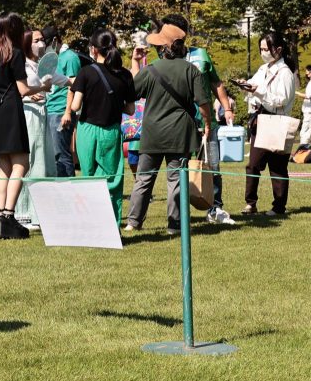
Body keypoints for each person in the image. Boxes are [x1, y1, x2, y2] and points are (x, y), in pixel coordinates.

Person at [124, 23, 211, 234]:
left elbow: (130, 93)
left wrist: (135, 63)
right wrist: (207, 124)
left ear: (163, 48)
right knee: (176, 181)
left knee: (144, 179)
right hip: (180, 134)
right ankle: (175, 225)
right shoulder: (191, 70)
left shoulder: (151, 69)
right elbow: (203, 104)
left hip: (152, 134)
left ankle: (133, 222)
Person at [159, 15, 237, 225]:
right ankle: (180, 213)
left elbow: (216, 83)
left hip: (205, 123)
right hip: (179, 124)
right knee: (179, 168)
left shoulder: (201, 55)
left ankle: (215, 208)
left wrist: (227, 108)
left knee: (212, 165)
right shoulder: (164, 58)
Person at [0, 13, 50, 239]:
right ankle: (9, 215)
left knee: (4, 167)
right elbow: (23, 89)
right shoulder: (16, 53)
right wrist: (43, 87)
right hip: (12, 112)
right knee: (21, 164)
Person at [69, 29, 136, 224]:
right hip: (111, 131)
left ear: (93, 49)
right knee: (112, 179)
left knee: (88, 177)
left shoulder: (86, 72)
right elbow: (131, 109)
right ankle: (111, 226)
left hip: (87, 131)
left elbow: (75, 106)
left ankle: (91, 224)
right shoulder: (125, 75)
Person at [238, 32, 298, 216]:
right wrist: (245, 84)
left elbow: (281, 100)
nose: (263, 52)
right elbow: (254, 84)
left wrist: (259, 92)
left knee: (277, 167)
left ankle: (279, 207)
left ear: (278, 49)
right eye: (261, 49)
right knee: (253, 164)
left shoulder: (285, 73)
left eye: (266, 49)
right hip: (261, 120)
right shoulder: (263, 68)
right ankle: (251, 204)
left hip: (277, 121)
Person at [14, 28, 55, 229]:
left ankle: (39, 213)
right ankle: (23, 213)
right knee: (28, 162)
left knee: (43, 162)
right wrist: (31, 95)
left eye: (42, 39)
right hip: (28, 115)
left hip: (42, 115)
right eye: (36, 40)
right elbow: (18, 90)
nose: (41, 43)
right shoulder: (20, 64)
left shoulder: (41, 65)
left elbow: (59, 80)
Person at [42, 25, 82, 177]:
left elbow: (74, 85)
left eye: (45, 43)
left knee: (62, 154)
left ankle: (68, 186)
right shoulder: (51, 58)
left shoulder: (70, 57)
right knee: (54, 155)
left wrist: (68, 112)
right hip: (49, 109)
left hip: (61, 111)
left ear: (54, 40)